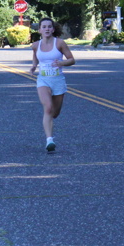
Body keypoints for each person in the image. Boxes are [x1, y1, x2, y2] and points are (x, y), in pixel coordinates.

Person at [30, 17, 76, 153]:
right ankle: (49, 140)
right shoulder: (35, 45)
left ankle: (50, 126)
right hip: (43, 80)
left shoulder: (60, 43)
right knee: (48, 108)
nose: (47, 29)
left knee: (54, 113)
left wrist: (61, 63)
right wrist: (34, 66)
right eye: (44, 27)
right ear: (39, 30)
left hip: (58, 81)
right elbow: (35, 57)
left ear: (53, 29)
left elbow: (72, 60)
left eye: (49, 26)